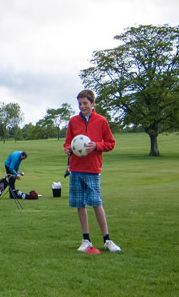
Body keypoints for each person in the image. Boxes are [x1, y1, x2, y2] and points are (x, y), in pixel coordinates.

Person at [63, 89, 121, 252]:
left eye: (85, 103)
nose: (82, 107)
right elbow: (68, 143)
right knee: (80, 205)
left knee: (96, 203)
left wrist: (96, 145)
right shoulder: (73, 121)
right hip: (76, 168)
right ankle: (86, 239)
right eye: (80, 104)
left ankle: (107, 240)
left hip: (93, 169)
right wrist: (68, 149)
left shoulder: (101, 121)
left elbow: (110, 143)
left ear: (92, 103)